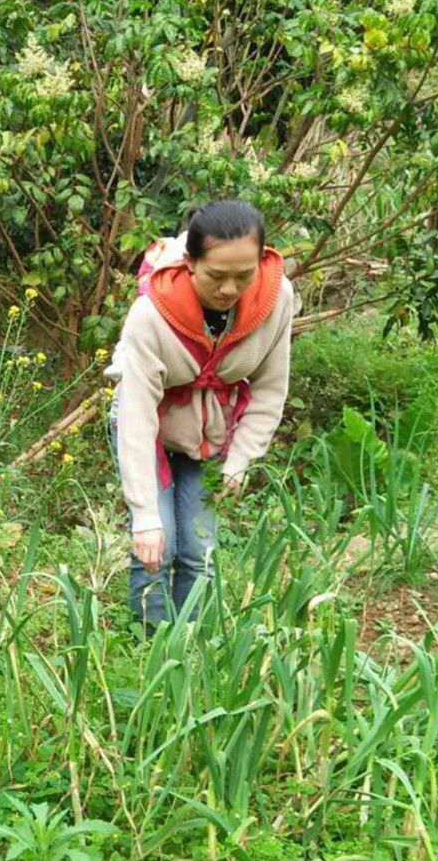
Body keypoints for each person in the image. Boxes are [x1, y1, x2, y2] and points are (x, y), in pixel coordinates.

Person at [103, 200, 300, 624]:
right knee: (158, 544)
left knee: (199, 549)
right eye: (217, 276)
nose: (230, 289)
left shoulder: (276, 299)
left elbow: (270, 388)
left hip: (210, 434)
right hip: (149, 430)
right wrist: (143, 516)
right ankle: (148, 651)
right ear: (190, 263)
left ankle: (190, 654)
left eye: (244, 276)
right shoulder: (150, 315)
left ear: (262, 262)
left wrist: (241, 460)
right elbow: (136, 416)